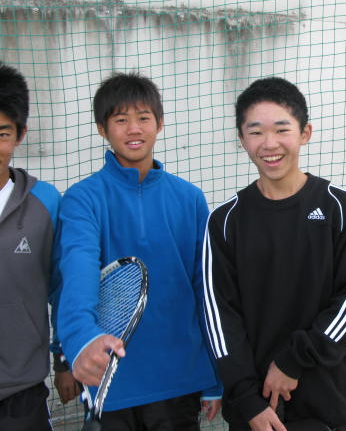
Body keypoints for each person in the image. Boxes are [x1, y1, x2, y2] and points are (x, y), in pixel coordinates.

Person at [56, 72, 222, 429]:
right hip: (111, 382)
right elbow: (77, 275)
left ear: (159, 123)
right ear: (102, 129)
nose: (134, 129)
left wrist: (213, 376)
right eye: (121, 120)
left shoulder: (190, 199)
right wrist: (81, 340)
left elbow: (205, 290)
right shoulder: (82, 199)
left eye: (143, 118)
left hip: (180, 381)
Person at [202, 77, 346, 431]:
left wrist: (293, 360)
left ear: (305, 133)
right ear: (242, 139)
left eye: (281, 129)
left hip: (328, 402)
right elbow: (220, 316)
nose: (269, 144)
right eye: (256, 132)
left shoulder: (338, 207)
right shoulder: (226, 221)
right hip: (257, 411)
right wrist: (246, 398)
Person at [0, 62, 75, 430]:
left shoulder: (45, 201)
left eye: (2, 133)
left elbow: (62, 286)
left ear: (20, 134)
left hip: (23, 391)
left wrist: (63, 359)